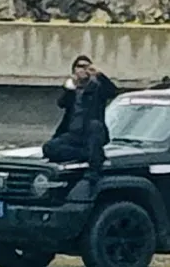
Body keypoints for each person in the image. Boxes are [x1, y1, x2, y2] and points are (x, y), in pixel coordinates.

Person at [40, 55, 117, 191]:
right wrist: (70, 88)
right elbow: (61, 103)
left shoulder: (97, 87)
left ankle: (94, 170)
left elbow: (112, 92)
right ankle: (90, 154)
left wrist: (99, 75)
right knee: (49, 148)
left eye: (86, 66)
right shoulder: (72, 88)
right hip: (74, 134)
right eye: (79, 66)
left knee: (94, 126)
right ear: (74, 70)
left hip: (91, 133)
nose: (83, 69)